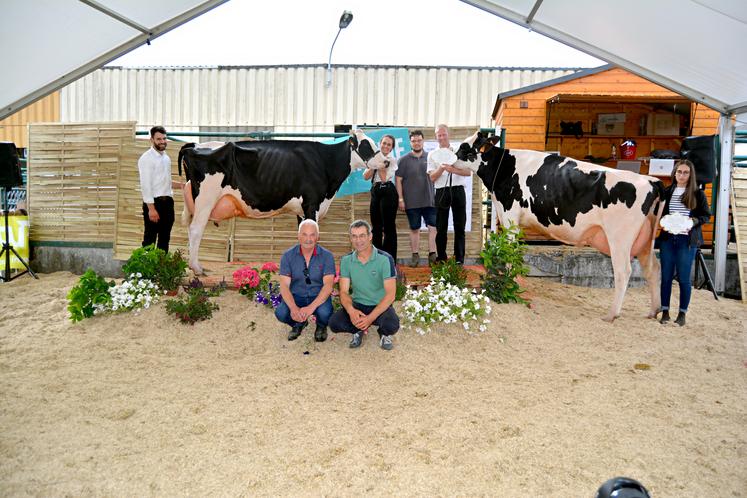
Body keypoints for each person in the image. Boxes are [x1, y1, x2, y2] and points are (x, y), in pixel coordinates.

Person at [329, 219, 400, 350]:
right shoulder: (346, 260)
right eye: (354, 236)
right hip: (358, 305)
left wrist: (370, 318)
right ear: (350, 238)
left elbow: (390, 295)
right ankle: (358, 329)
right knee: (334, 323)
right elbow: (343, 292)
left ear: (370, 236)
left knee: (392, 325)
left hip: (379, 305)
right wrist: (351, 311)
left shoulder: (385, 259)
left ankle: (383, 333)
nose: (358, 240)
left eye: (362, 235)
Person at [657, 159, 711, 327]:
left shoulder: (697, 193)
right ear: (675, 173)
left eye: (685, 172)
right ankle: (665, 311)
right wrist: (663, 221)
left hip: (686, 241)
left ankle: (682, 314)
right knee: (665, 277)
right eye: (679, 172)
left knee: (683, 279)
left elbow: (706, 216)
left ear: (690, 175)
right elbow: (659, 213)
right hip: (668, 240)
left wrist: (692, 221)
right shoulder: (667, 191)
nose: (681, 175)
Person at [275, 219, 336, 341]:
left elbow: (328, 286)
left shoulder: (327, 256)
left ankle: (321, 326)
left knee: (325, 313)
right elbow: (284, 286)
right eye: (304, 234)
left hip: (318, 296)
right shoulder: (287, 256)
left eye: (312, 234)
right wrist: (293, 308)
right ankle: (298, 324)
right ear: (298, 236)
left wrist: (310, 308)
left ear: (318, 237)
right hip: (297, 296)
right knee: (281, 313)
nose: (308, 239)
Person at [427, 124, 472, 264]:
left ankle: (459, 259)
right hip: (441, 191)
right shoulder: (432, 154)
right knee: (441, 227)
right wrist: (441, 169)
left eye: (443, 134)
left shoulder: (458, 150)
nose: (441, 137)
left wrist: (452, 169)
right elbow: (432, 178)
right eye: (438, 135)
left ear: (449, 135)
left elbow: (468, 172)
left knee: (460, 226)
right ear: (436, 137)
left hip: (458, 190)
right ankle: (442, 258)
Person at [396, 130, 437, 267]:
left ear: (423, 141)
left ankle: (432, 255)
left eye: (419, 140)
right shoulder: (403, 160)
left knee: (433, 227)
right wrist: (400, 199)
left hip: (429, 200)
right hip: (411, 202)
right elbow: (398, 180)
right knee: (414, 229)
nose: (417, 143)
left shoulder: (431, 157)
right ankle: (415, 256)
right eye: (414, 141)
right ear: (410, 142)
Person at [138, 125, 178, 252]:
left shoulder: (166, 158)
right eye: (159, 139)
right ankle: (145, 271)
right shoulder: (146, 158)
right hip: (154, 204)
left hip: (168, 203)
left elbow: (165, 182)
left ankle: (160, 270)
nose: (162, 142)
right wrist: (151, 209)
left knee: (165, 239)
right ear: (152, 140)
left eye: (164, 139)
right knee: (150, 239)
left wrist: (183, 186)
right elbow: (146, 185)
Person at [363, 134, 398, 261]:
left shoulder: (392, 160)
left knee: (389, 227)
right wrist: (376, 164)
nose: (386, 146)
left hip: (388, 190)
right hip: (375, 190)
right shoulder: (374, 159)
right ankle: (376, 258)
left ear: (392, 148)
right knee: (376, 226)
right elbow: (365, 176)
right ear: (380, 144)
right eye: (384, 143)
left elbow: (384, 178)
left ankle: (390, 259)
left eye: (389, 144)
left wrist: (379, 165)